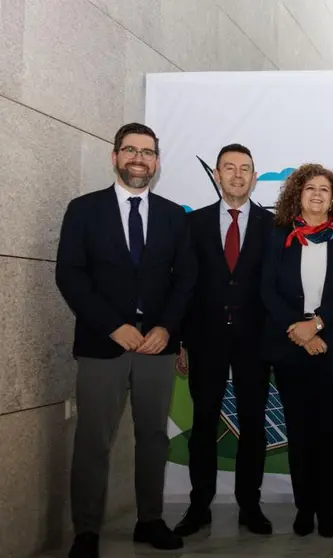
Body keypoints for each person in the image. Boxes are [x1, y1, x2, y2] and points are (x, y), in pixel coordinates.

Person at [56, 122, 196, 557]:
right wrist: (111, 325)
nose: (140, 158)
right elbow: (70, 274)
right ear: (115, 157)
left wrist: (165, 329)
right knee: (93, 439)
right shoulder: (84, 209)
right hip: (103, 344)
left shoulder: (174, 215)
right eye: (131, 150)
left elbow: (186, 278)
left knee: (154, 435)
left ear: (156, 161)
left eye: (148, 152)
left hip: (157, 346)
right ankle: (86, 531)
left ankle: (149, 520)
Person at [174, 144, 275, 537]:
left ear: (254, 177)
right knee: (203, 424)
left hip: (255, 341)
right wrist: (179, 339)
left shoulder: (273, 225)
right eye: (229, 168)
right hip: (205, 339)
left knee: (253, 423)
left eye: (245, 169)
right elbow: (181, 282)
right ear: (216, 175)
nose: (237, 175)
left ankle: (250, 504)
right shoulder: (192, 224)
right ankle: (199, 506)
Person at [260, 163, 333, 538]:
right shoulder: (278, 237)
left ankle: (327, 508)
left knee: (330, 435)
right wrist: (300, 332)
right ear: (297, 196)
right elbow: (267, 291)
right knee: (299, 434)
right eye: (309, 189)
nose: (317, 195)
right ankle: (305, 508)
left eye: (324, 189)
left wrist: (316, 325)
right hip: (290, 347)